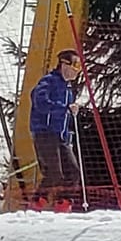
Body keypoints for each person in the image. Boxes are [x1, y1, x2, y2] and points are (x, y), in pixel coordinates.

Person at [28, 50, 85, 212]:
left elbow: (65, 117)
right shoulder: (49, 82)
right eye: (75, 64)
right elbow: (41, 103)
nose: (77, 69)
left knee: (73, 171)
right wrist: (64, 108)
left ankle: (63, 205)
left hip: (61, 136)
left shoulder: (68, 89)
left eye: (79, 66)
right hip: (45, 133)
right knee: (54, 172)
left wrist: (68, 136)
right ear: (63, 64)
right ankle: (36, 204)